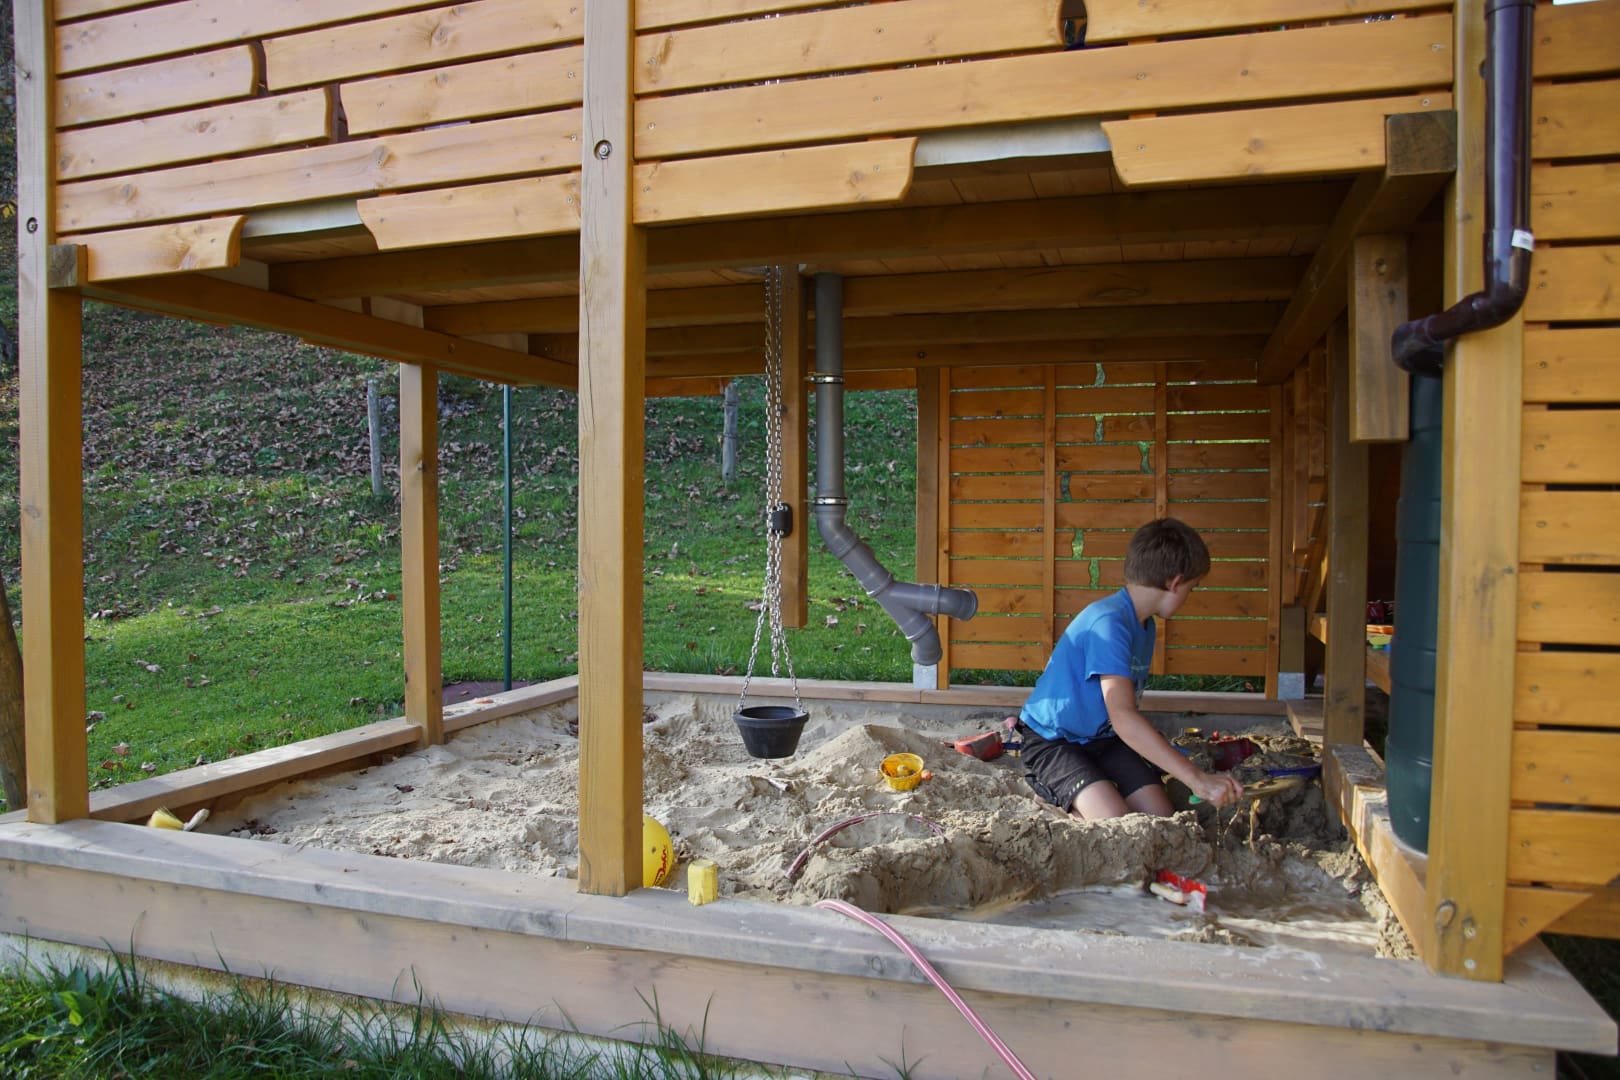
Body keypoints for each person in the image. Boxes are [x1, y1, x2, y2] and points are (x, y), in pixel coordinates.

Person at [1016, 518, 1243, 820]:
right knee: (1115, 822)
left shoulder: (1144, 625)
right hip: (1054, 741)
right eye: (1192, 588)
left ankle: (1087, 790)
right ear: (1175, 583)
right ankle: (1051, 796)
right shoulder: (1109, 623)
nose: (1189, 596)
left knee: (1159, 816)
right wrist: (1197, 779)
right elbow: (1123, 717)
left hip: (1102, 740)